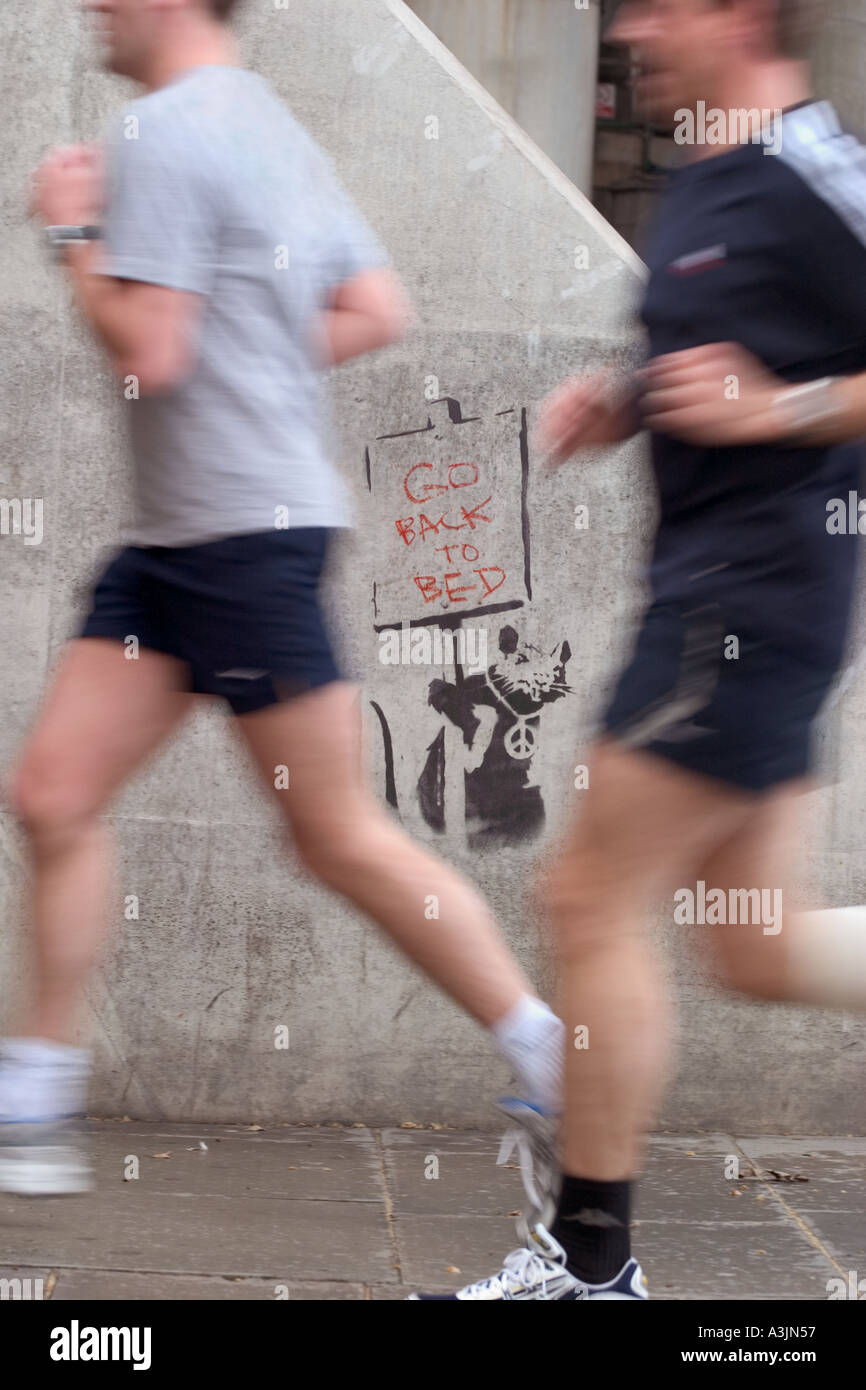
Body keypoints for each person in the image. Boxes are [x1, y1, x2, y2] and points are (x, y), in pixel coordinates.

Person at [0, 0, 563, 1196]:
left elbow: (147, 353)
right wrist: (248, 356)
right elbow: (372, 309)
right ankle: (34, 1092)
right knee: (52, 791)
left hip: (240, 543)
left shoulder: (158, 134)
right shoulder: (262, 125)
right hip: (177, 545)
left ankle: (540, 1042)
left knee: (334, 834)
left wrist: (72, 232)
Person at [409, 0, 866, 1300]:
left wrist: (770, 408)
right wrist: (624, 400)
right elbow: (714, 355)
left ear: (739, 12)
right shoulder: (712, 169)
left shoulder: (807, 169)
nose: (629, 31)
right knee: (756, 944)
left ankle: (590, 1271)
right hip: (732, 601)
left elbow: (780, 383)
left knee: (583, 899)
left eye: (660, 6)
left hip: (740, 609)